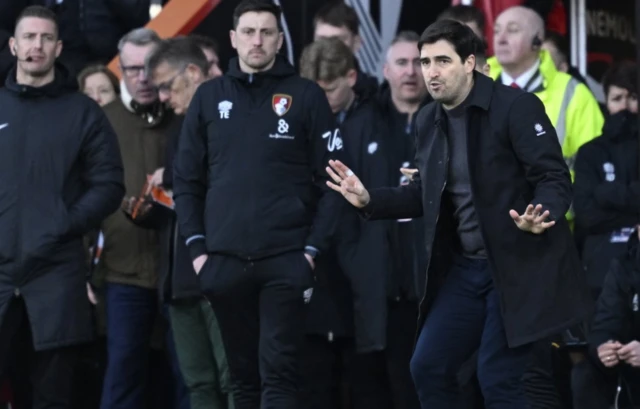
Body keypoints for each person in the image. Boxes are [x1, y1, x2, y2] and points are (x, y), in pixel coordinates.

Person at [326, 19, 591, 408]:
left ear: (469, 63)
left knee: (498, 377)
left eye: (442, 61)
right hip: (466, 271)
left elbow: (553, 176)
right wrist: (371, 200)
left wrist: (543, 214)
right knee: (427, 366)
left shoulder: (515, 107)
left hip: (517, 265)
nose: (429, 72)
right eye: (425, 61)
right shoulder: (428, 120)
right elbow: (424, 194)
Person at [172, 1, 344, 408]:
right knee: (241, 380)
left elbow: (335, 181)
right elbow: (186, 181)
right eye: (248, 32)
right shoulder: (209, 97)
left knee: (279, 375)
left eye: (267, 32)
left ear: (280, 39)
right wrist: (198, 252)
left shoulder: (306, 95)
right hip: (223, 262)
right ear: (233, 38)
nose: (257, 40)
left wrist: (310, 251)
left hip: (286, 259)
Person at [0, 5, 124, 408]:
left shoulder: (83, 113)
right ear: (13, 45)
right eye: (30, 38)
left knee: (52, 398)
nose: (37, 46)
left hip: (55, 278)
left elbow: (109, 186)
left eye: (46, 38)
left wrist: (63, 224)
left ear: (59, 47)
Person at [98, 28, 186, 409]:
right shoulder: (102, 120)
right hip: (124, 272)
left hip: (180, 271)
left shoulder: (185, 112)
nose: (142, 78)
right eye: (132, 69)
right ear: (120, 69)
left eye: (149, 67)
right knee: (123, 378)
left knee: (190, 378)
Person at [146, 37, 233, 409]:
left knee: (233, 380)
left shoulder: (233, 120)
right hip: (181, 275)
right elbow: (185, 203)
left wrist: (174, 179)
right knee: (198, 383)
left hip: (222, 268)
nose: (162, 97)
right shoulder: (178, 128)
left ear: (194, 72)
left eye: (167, 85)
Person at [489, 6, 603, 190]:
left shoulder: (573, 92)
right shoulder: (475, 85)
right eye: (496, 31)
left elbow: (594, 168)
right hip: (489, 215)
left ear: (537, 41)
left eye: (512, 30)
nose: (500, 39)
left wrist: (554, 206)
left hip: (552, 213)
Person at [573, 62, 639, 300]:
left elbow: (596, 207)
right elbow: (586, 215)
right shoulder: (590, 152)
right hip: (600, 271)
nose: (625, 106)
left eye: (632, 97)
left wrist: (606, 194)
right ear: (607, 103)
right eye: (616, 98)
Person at [571, 228, 640, 409]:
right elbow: (606, 319)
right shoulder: (625, 266)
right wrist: (604, 346)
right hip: (632, 363)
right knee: (585, 375)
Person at [313, 1, 378, 98]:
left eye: (338, 40)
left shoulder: (375, 97)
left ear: (357, 43)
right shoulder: (298, 90)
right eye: (322, 39)